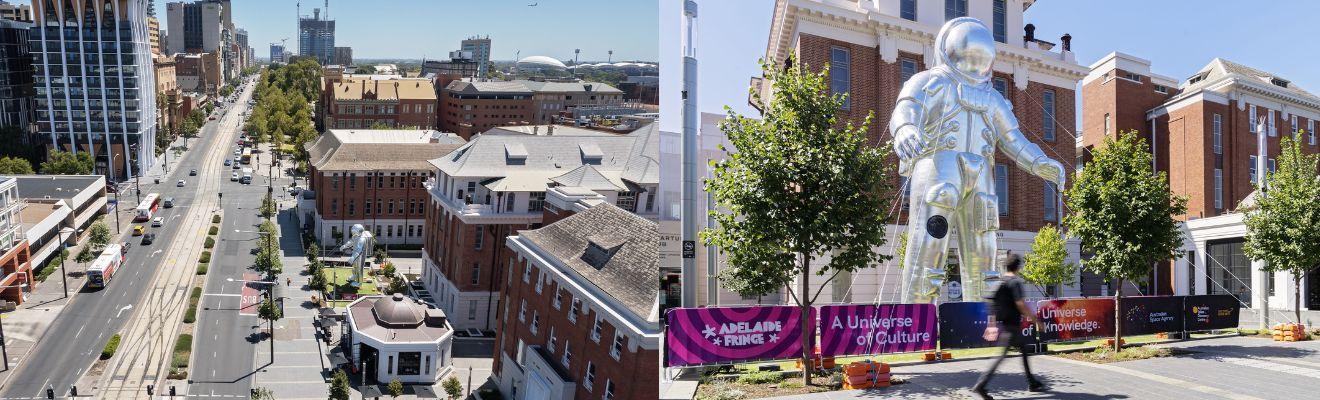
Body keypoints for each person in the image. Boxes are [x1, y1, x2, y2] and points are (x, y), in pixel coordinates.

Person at [972, 254, 1045, 399]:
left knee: (1023, 350)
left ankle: (1032, 382)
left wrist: (992, 324)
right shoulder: (1015, 282)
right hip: (1012, 326)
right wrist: (1036, 321)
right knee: (1002, 356)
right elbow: (1021, 304)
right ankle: (981, 385)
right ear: (1018, 267)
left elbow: (990, 301)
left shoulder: (1000, 282)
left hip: (1007, 325)